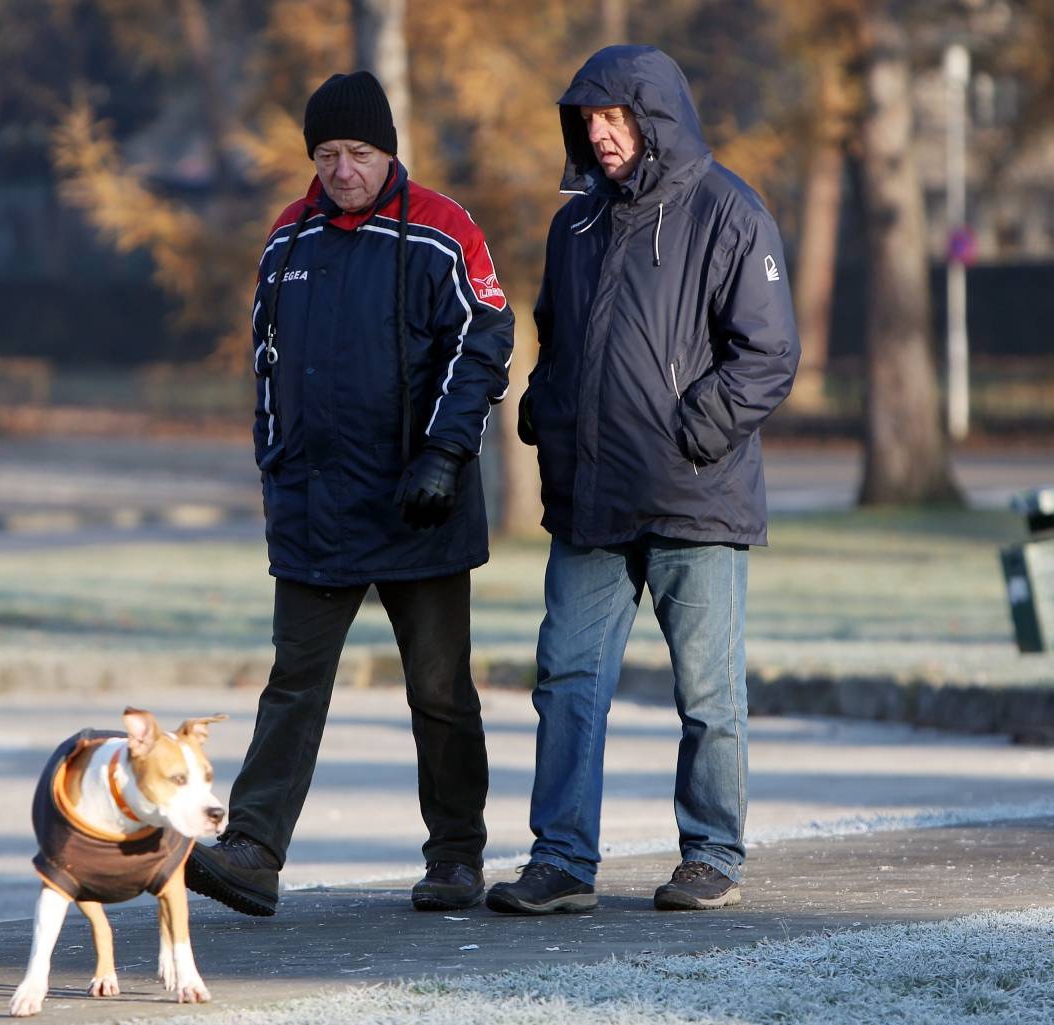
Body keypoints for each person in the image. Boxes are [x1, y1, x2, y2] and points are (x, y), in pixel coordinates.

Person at [185, 70, 514, 917]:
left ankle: (455, 856)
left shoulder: (443, 230)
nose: (342, 170)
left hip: (419, 504)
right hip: (316, 510)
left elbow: (484, 341)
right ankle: (254, 849)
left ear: (388, 151)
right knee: (293, 681)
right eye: (326, 154)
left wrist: (444, 456)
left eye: (358, 153)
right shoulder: (286, 240)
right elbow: (264, 364)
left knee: (439, 691)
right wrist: (274, 464)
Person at [486, 46, 799, 917]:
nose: (600, 134)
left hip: (697, 499)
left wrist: (689, 435)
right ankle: (560, 860)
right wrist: (545, 412)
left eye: (615, 118)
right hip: (591, 504)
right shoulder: (575, 225)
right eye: (587, 120)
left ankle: (710, 855)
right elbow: (554, 336)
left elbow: (769, 356)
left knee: (707, 693)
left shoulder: (729, 211)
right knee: (566, 680)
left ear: (655, 119)